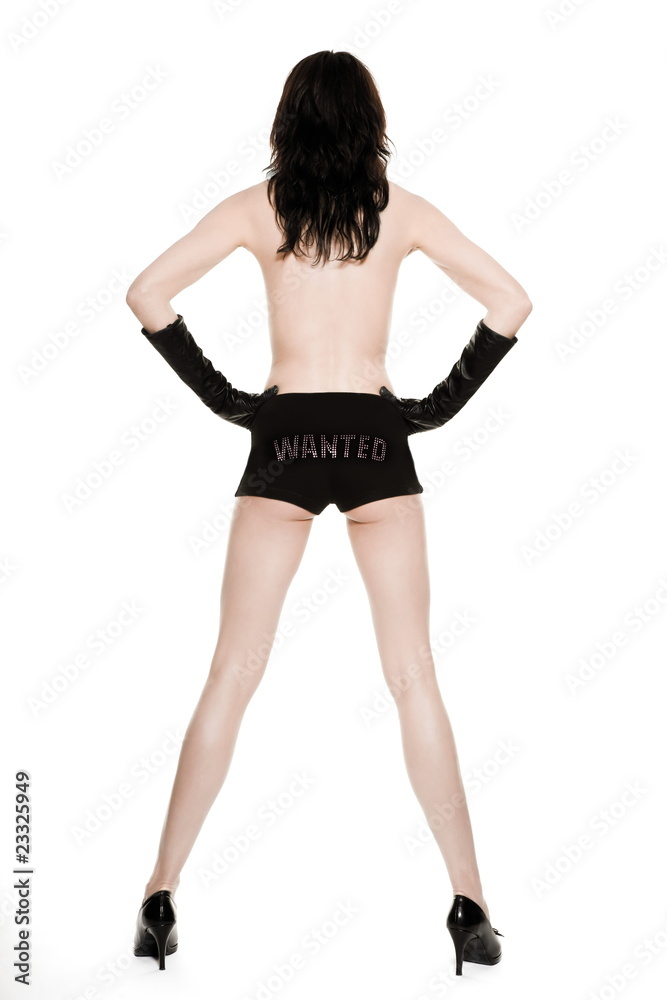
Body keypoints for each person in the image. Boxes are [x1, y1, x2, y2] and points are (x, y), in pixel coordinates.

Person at [126, 49, 532, 974]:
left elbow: (146, 294)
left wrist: (233, 403)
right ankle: (469, 906)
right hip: (373, 436)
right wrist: (430, 409)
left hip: (285, 438)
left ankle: (159, 895)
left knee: (231, 673)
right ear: (370, 122)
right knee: (413, 676)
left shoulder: (257, 207)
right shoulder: (399, 211)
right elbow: (511, 301)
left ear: (288, 120)